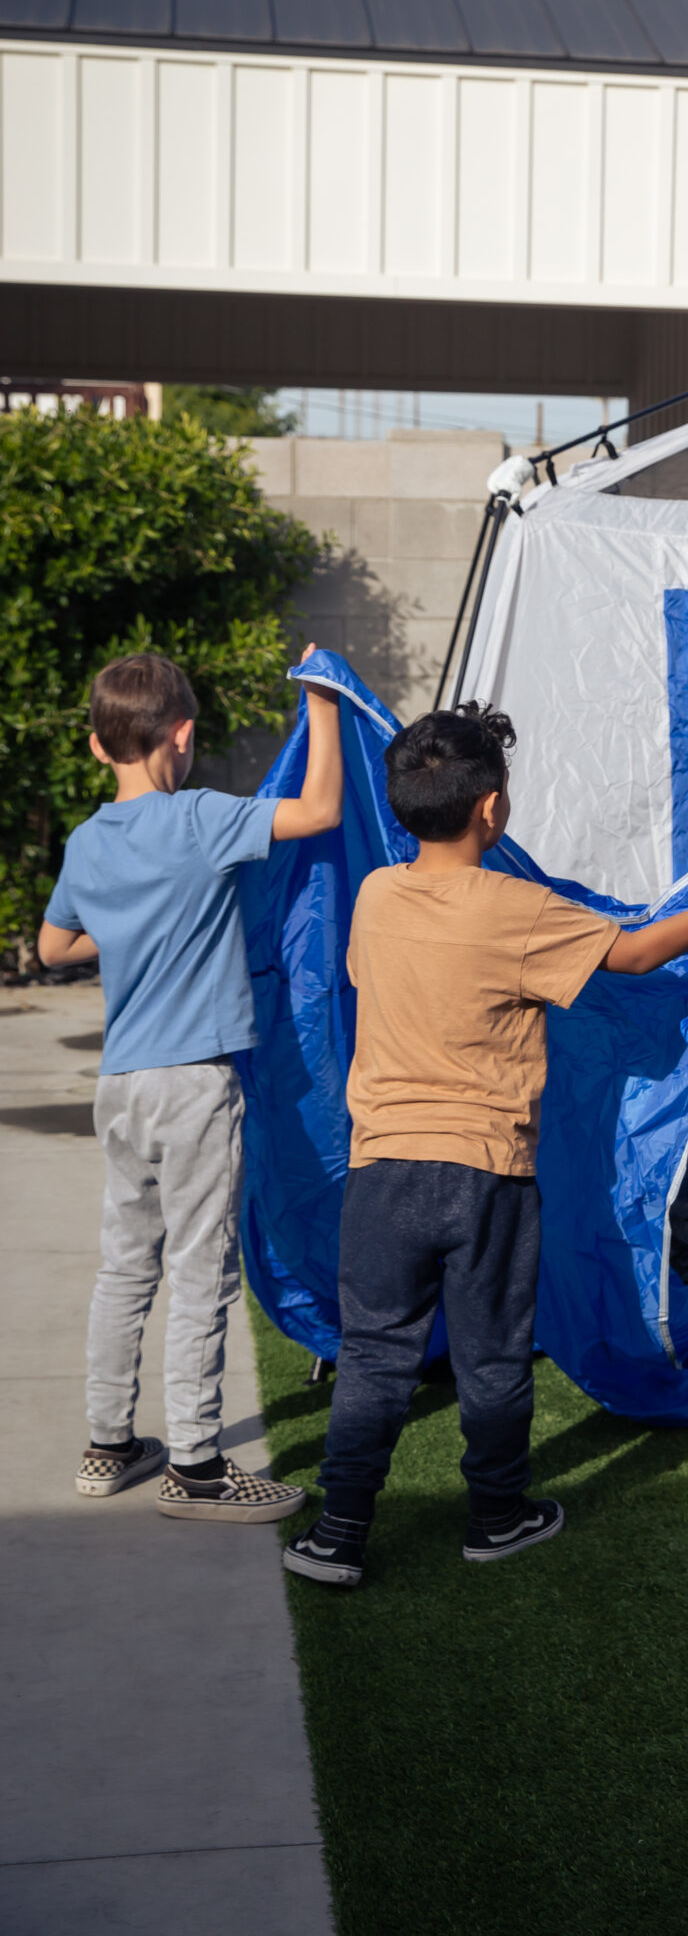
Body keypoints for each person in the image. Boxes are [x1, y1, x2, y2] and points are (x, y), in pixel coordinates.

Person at [284, 702, 688, 1589]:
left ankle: (338, 1532)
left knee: (374, 1358)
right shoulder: (518, 909)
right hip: (484, 1174)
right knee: (490, 1357)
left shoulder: (374, 896)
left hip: (383, 1172)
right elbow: (634, 956)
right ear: (490, 809)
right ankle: (497, 1517)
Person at [39, 647, 345, 1519]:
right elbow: (320, 808)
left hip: (123, 1087)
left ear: (98, 749)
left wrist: (130, 931)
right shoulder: (203, 817)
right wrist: (322, 699)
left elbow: (57, 948)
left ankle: (107, 1447)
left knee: (126, 1269)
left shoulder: (86, 842)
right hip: (194, 1087)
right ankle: (199, 1468)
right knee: (202, 1273)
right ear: (182, 736)